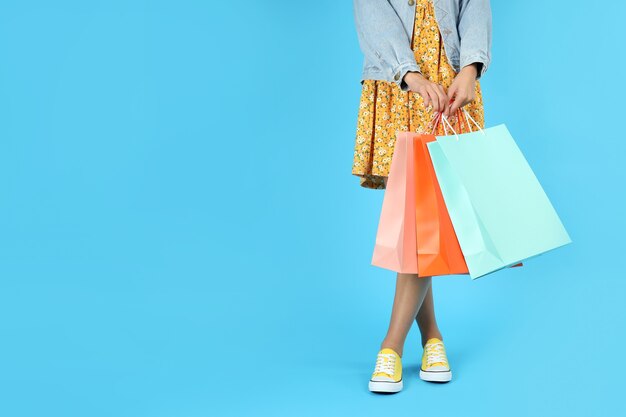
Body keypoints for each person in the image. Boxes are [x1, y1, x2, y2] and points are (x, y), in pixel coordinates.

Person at [351, 0, 492, 393]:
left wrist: (470, 69)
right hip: (403, 86)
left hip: (453, 88)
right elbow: (372, 12)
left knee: (424, 214)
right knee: (418, 214)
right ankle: (425, 339)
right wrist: (408, 73)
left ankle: (398, 345)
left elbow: (475, 6)